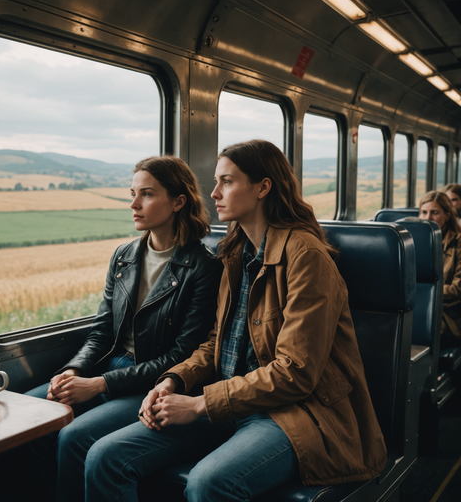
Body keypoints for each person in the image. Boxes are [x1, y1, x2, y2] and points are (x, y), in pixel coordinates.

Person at [82, 139, 388, 502]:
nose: (213, 193)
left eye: (226, 182)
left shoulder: (307, 257)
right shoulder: (234, 252)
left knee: (208, 482)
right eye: (216, 182)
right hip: (230, 401)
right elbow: (216, 342)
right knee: (105, 457)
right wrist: (173, 381)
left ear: (263, 187)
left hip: (295, 413)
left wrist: (199, 404)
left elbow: (296, 372)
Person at [25, 155, 222, 500]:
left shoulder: (202, 267)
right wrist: (73, 370)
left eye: (146, 194)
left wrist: (98, 384)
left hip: (152, 381)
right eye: (132, 193)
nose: (133, 204)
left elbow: (182, 355)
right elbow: (102, 330)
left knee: (74, 436)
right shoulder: (124, 256)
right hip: (107, 368)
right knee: (30, 413)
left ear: (178, 201)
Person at [419, 190, 461, 346]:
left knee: (423, 326)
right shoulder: (413, 241)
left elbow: (458, 289)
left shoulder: (458, 243)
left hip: (449, 313)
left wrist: (422, 294)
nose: (427, 218)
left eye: (434, 212)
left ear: (447, 215)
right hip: (418, 306)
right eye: (423, 212)